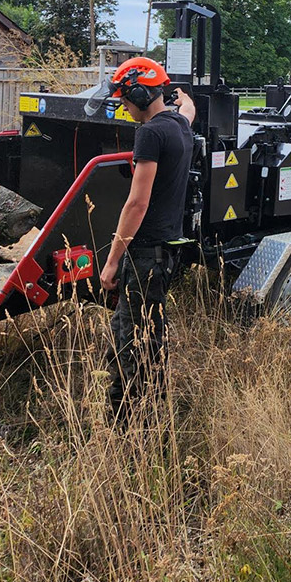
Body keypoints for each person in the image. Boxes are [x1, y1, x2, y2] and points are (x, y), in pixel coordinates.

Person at [97, 56, 195, 424]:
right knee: (141, 332)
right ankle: (145, 413)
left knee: (133, 342)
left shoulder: (150, 133)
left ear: (139, 95)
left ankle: (133, 426)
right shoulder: (179, 125)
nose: (124, 106)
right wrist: (183, 97)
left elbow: (137, 203)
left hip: (143, 257)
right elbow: (189, 109)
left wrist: (111, 261)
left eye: (125, 98)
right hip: (164, 254)